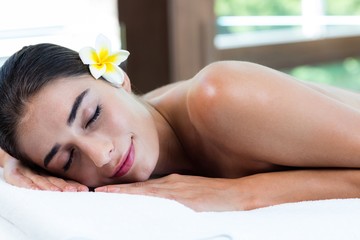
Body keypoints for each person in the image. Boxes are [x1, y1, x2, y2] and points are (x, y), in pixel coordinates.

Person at [1, 36, 360, 212]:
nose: (100, 156)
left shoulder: (221, 95)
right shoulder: (104, 167)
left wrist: (241, 193)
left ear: (117, 78)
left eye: (92, 116)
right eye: (66, 159)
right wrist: (14, 164)